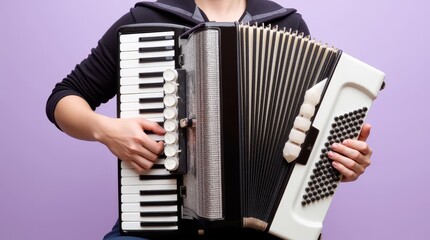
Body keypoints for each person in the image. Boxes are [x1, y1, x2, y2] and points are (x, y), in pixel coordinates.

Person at [46, 0, 373, 239]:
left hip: (261, 229)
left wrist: (334, 164)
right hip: (163, 225)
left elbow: (301, 137)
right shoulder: (146, 20)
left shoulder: (287, 25)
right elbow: (64, 97)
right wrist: (106, 130)